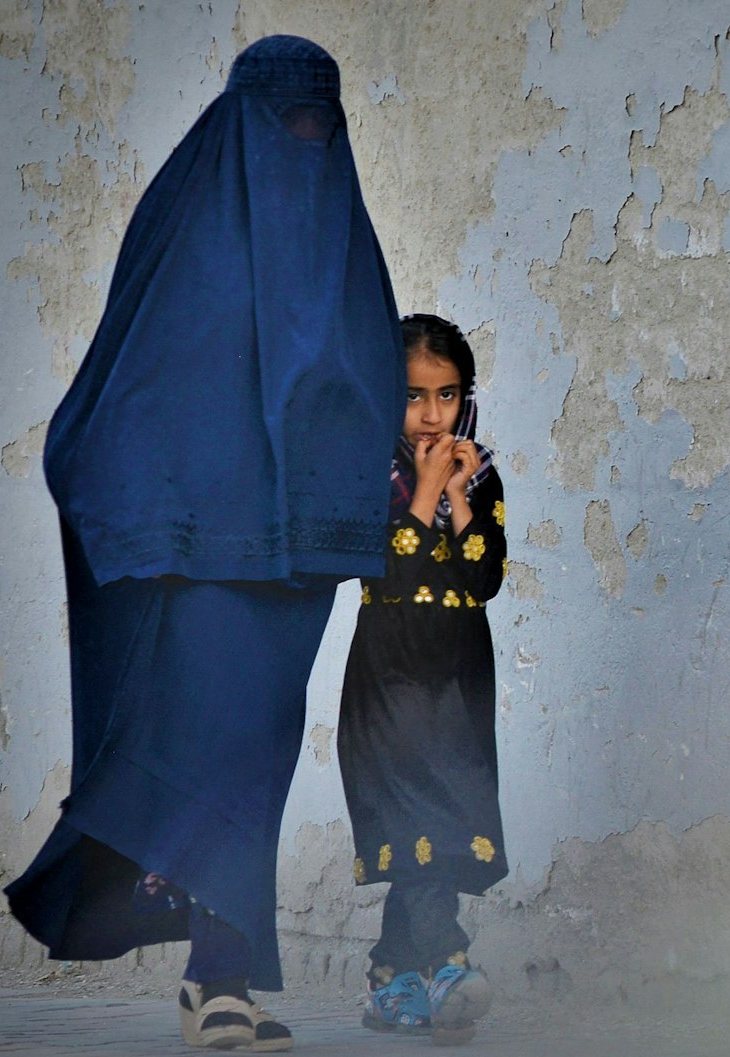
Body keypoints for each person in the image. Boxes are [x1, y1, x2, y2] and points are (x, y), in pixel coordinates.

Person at [3, 36, 404, 1052]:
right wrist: (138, 503)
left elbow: (367, 387)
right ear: (240, 122)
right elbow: (124, 380)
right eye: (285, 124)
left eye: (322, 125)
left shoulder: (345, 247)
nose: (303, 144)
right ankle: (220, 981)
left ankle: (217, 981)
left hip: (297, 558)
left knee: (257, 758)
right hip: (199, 553)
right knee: (216, 751)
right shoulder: (183, 222)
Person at [338, 313, 508, 1045]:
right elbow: (392, 565)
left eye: (446, 394)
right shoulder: (367, 471)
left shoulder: (484, 471)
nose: (432, 412)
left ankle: (392, 978)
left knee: (440, 824)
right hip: (390, 675)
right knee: (418, 823)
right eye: (413, 395)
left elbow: (484, 576)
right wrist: (424, 490)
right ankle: (448, 965)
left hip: (457, 679)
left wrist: (460, 492)